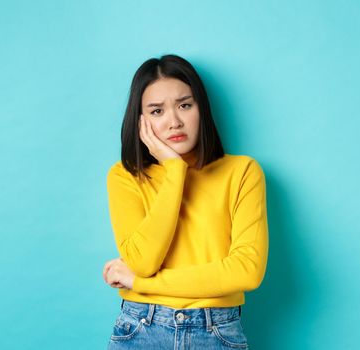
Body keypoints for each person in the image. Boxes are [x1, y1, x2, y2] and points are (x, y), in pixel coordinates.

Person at [102, 54, 269, 349]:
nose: (174, 122)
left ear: (201, 109)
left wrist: (143, 284)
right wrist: (175, 169)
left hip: (216, 331)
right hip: (142, 328)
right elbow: (143, 261)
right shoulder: (125, 177)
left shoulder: (242, 172)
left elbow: (246, 271)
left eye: (184, 105)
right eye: (156, 111)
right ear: (139, 121)